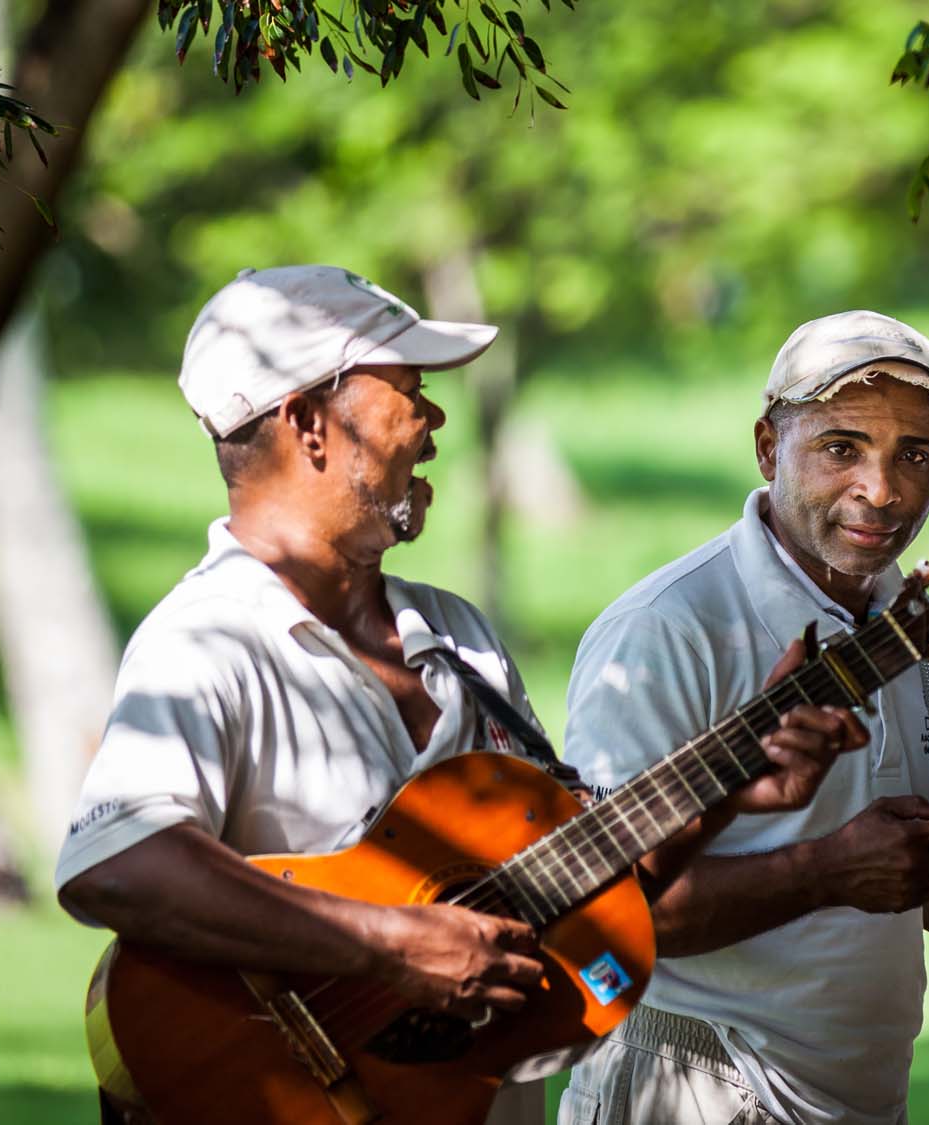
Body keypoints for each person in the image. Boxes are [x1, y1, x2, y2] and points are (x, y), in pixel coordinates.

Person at [54, 266, 865, 1125]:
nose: (435, 420)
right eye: (407, 391)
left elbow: (587, 880)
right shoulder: (207, 641)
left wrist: (732, 785)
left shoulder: (458, 637)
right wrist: (394, 944)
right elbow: (120, 866)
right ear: (308, 424)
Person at [554, 310, 929, 1125]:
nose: (881, 491)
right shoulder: (666, 629)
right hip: (690, 1083)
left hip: (854, 1097)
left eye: (914, 454)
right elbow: (595, 918)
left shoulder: (914, 627)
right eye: (841, 447)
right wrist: (826, 869)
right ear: (769, 447)